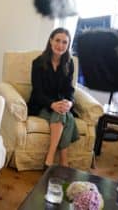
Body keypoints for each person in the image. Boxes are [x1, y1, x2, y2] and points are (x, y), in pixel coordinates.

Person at [27, 27, 79, 167]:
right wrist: (52, 104)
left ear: (68, 45)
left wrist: (69, 102)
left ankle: (51, 161)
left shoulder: (69, 63)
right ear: (50, 40)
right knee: (65, 116)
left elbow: (69, 89)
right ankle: (60, 160)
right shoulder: (38, 63)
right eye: (57, 40)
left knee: (63, 112)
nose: (60, 45)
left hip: (60, 105)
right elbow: (37, 92)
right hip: (41, 105)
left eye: (64, 42)